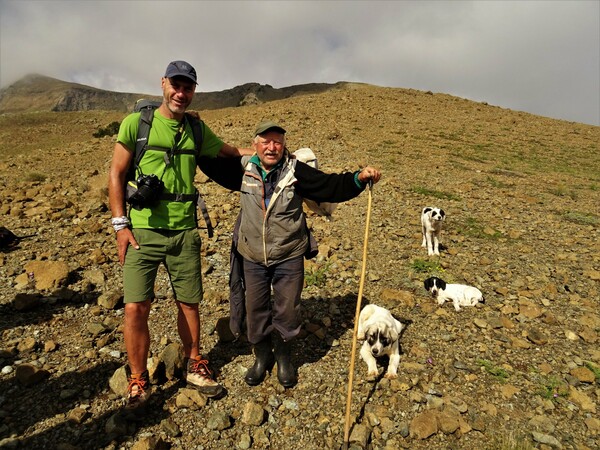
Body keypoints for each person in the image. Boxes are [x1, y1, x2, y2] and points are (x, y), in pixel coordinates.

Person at [108, 60, 251, 410]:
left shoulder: (197, 131)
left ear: (193, 92)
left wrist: (263, 150)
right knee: (135, 307)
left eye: (187, 88)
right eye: (176, 85)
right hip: (142, 230)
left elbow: (230, 152)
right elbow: (116, 173)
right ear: (163, 84)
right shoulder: (136, 124)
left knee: (189, 303)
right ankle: (138, 380)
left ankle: (195, 363)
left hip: (185, 231)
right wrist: (120, 225)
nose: (180, 93)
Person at [235, 120, 381, 388]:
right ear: (254, 145)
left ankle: (283, 355)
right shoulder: (243, 169)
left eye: (277, 141)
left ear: (284, 145)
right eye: (265, 141)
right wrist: (194, 128)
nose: (272, 146)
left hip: (288, 254)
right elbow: (211, 158)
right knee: (255, 308)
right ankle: (262, 356)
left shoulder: (295, 171)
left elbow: (328, 185)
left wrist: (357, 179)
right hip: (253, 256)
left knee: (288, 309)